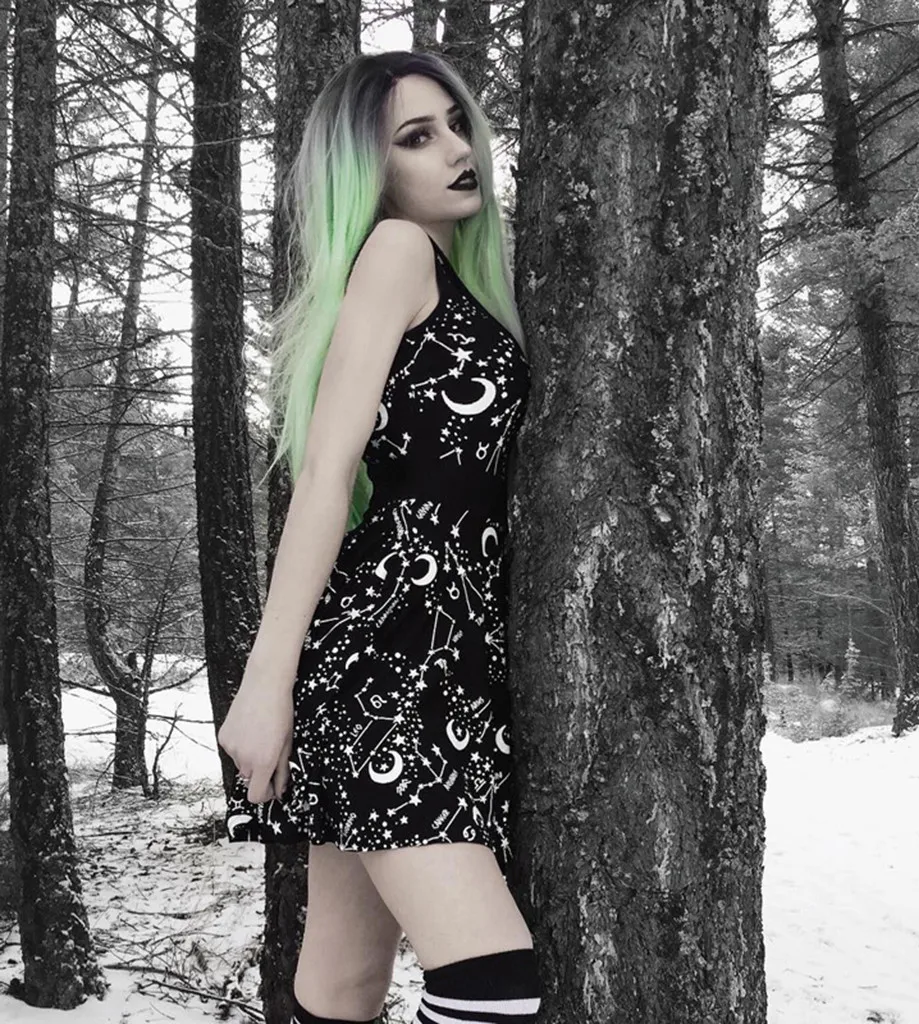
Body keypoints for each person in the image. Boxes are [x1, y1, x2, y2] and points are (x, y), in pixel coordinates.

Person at [215, 49, 540, 1024]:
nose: (456, 149)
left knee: (342, 984)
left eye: (457, 124)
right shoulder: (397, 252)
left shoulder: (465, 284)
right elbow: (326, 472)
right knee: (491, 989)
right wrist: (264, 682)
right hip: (392, 657)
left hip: (447, 652)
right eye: (417, 137)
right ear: (371, 170)